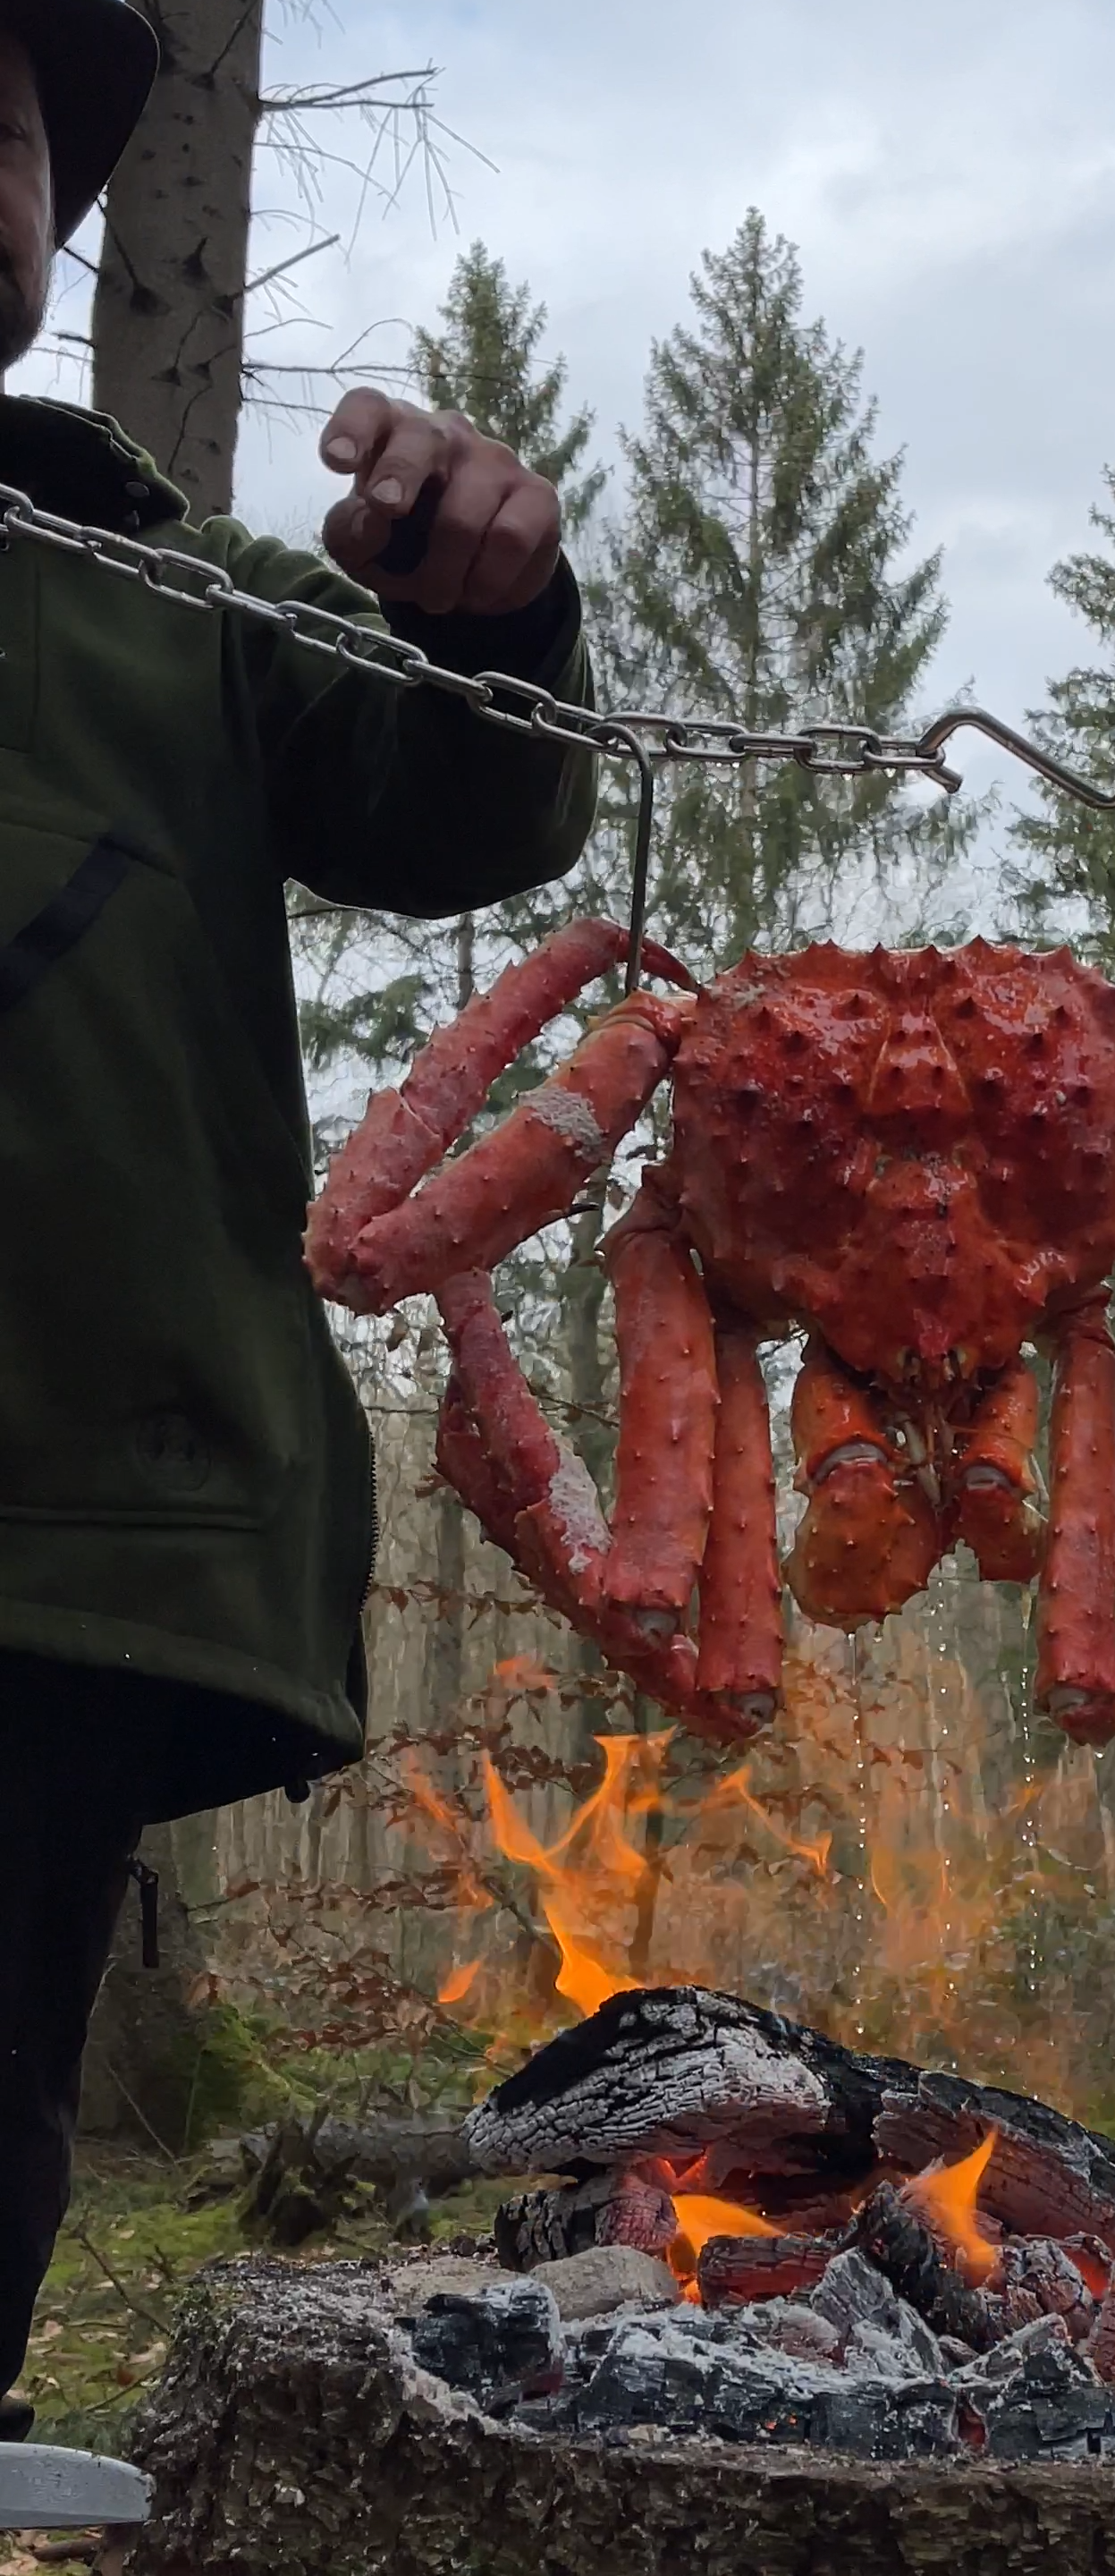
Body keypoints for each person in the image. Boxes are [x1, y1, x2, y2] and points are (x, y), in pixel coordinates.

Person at [0, 0, 600, 2436]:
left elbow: (466, 807)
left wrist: (484, 615)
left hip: (64, 1526)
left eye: (5, 130)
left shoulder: (169, 589)